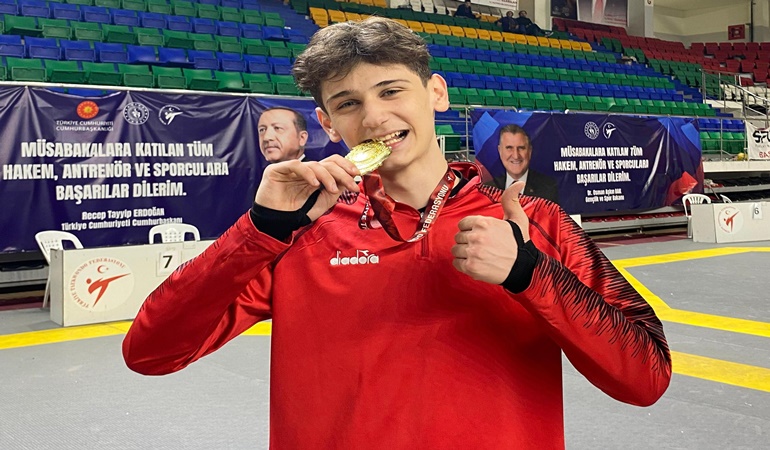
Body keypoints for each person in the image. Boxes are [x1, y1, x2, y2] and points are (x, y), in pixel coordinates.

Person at [123, 17, 671, 449]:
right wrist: (260, 229)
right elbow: (151, 352)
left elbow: (645, 378)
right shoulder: (300, 233)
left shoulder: (534, 223)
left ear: (437, 93)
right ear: (327, 124)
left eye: (391, 91)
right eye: (348, 104)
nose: (374, 117)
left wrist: (529, 273)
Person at [485, 124, 560, 204]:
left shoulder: (548, 188)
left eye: (521, 148)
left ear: (529, 151)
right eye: (509, 148)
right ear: (500, 151)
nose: (516, 156)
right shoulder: (487, 190)